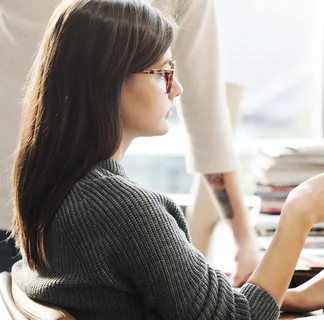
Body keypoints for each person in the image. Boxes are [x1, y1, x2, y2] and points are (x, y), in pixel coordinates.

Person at [9, 0, 324, 319]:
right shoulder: (123, 211)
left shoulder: (54, 187)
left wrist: (287, 297)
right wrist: (298, 215)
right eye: (162, 73)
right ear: (109, 80)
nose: (176, 88)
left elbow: (172, 298)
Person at [0, 0, 261, 284]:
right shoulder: (133, 214)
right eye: (163, 74)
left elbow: (206, 118)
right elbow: (206, 117)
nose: (174, 88)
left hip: (37, 204)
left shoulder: (122, 207)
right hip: (32, 212)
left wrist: (242, 241)